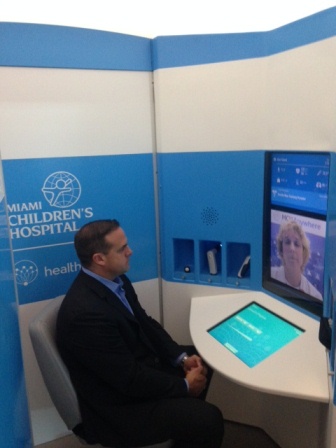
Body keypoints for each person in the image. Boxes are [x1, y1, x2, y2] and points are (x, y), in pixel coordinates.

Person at [56, 219, 224, 448]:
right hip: (117, 409)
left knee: (202, 359)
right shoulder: (85, 315)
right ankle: (189, 418)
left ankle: (184, 428)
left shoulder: (116, 280)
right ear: (99, 259)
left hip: (134, 374)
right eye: (122, 248)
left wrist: (181, 358)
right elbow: (128, 379)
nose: (130, 251)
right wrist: (184, 386)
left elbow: (146, 324)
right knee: (208, 419)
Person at [271, 220, 322, 300]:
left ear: (304, 253)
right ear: (281, 250)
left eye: (297, 244)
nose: (292, 248)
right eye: (287, 242)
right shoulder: (270, 274)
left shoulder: (315, 296)